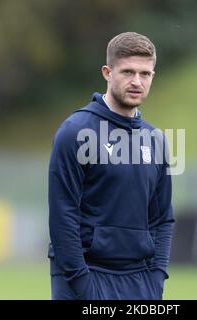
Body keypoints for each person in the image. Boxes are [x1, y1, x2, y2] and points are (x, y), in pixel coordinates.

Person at [48, 32, 175, 300]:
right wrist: (82, 283)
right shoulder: (75, 132)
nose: (136, 82)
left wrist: (157, 278)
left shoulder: (156, 141)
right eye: (128, 72)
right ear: (107, 72)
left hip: (140, 281)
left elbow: (162, 218)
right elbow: (63, 215)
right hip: (84, 277)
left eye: (145, 74)